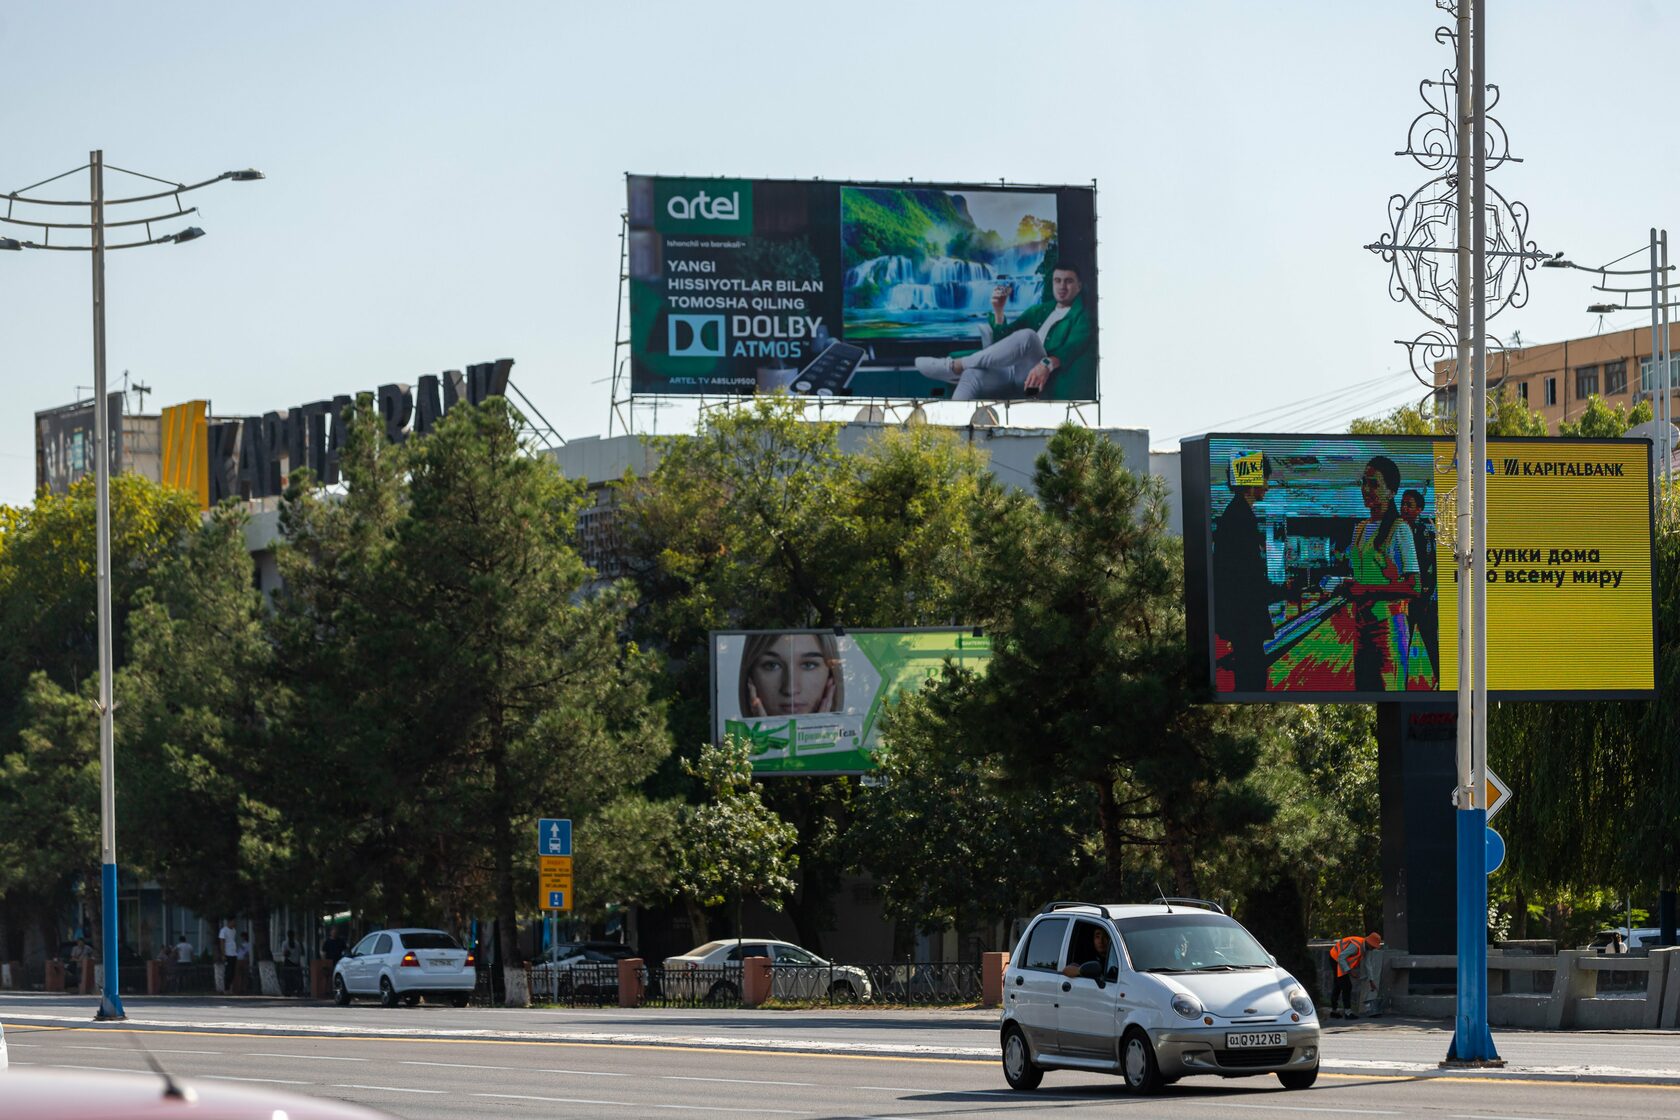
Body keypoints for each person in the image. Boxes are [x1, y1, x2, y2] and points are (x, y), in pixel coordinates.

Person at [914, 263, 1093, 401]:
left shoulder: (1082, 317)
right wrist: (999, 311)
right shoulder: (1041, 311)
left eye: (1068, 281)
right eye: (1057, 280)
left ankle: (954, 366)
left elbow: (1072, 348)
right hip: (1011, 373)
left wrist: (1046, 364)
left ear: (1079, 286)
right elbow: (1007, 341)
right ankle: (951, 430)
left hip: (1037, 379)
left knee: (1029, 336)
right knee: (972, 375)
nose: (1062, 286)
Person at [1346, 457, 1419, 692]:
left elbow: (1414, 586)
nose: (1366, 489)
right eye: (1364, 483)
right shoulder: (1359, 529)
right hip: (1360, 627)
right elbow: (1364, 576)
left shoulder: (1400, 529)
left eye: (1374, 484)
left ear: (1392, 491)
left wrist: (1367, 590)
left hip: (1388, 629)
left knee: (1390, 693)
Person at [1212, 451, 1276, 692]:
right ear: (1252, 482)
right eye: (1266, 479)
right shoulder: (1240, 518)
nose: (1268, 486)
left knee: (1250, 670)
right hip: (1245, 617)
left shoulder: (1237, 514)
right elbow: (1243, 574)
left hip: (1242, 618)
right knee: (1252, 676)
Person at [739, 632, 845, 717]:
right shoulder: (729, 740)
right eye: (772, 665)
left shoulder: (856, 740)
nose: (790, 689)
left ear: (831, 676)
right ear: (750, 676)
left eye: (808, 665)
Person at [1399, 488, 1438, 683]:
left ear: (1419, 509)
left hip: (1421, 600)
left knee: (1431, 641)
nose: (1404, 508)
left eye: (1409, 505)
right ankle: (1399, 684)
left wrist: (1425, 590)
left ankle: (1443, 681)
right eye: (1402, 504)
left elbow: (1430, 563)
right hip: (1401, 598)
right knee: (1401, 645)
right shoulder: (1395, 532)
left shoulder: (1423, 532)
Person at [1329, 930, 1382, 1019]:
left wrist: (1371, 980)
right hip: (1335, 958)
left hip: (1341, 960)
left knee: (1338, 985)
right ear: (1368, 942)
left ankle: (1334, 1011)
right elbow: (1341, 957)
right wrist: (1350, 971)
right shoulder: (1356, 945)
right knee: (1347, 986)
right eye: (1373, 946)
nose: (1373, 948)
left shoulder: (1367, 949)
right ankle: (1348, 1012)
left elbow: (1368, 964)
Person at [218, 918, 238, 995]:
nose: (234, 924)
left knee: (232, 972)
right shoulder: (223, 930)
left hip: (234, 953)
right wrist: (223, 954)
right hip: (227, 953)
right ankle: (226, 988)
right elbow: (222, 942)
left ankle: (230, 988)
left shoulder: (234, 930)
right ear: (230, 921)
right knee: (228, 972)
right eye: (233, 922)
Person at [279, 929, 303, 996]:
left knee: (288, 978)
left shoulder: (285, 943)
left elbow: (284, 953)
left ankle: (288, 990)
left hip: (288, 962)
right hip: (296, 962)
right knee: (296, 977)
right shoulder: (297, 943)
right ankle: (297, 990)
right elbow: (300, 953)